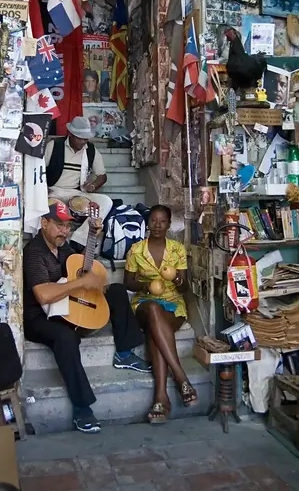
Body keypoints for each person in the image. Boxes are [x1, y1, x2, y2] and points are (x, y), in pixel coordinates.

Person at [23, 200, 150, 433]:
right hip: (40, 317)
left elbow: (80, 265)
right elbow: (43, 295)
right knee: (65, 338)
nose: (65, 231)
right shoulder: (34, 253)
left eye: (68, 227)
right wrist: (81, 283)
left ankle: (124, 352)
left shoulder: (62, 246)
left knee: (117, 291)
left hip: (67, 306)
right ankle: (82, 408)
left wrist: (93, 236)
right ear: (44, 223)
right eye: (59, 225)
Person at [124, 205, 197, 424]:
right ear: (148, 223)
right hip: (144, 304)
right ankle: (180, 376)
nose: (157, 225)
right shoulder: (136, 250)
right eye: (153, 221)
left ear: (169, 224)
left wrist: (177, 279)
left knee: (154, 332)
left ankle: (161, 398)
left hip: (173, 305)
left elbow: (184, 288)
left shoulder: (177, 249)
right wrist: (145, 286)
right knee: (153, 310)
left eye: (162, 221)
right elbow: (127, 283)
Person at [45, 116, 112, 251]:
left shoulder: (90, 150)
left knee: (106, 201)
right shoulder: (54, 145)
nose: (83, 142)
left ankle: (79, 239)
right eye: (80, 138)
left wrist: (93, 185)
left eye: (86, 138)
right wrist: (43, 189)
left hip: (77, 193)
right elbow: (39, 170)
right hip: (54, 191)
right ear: (71, 134)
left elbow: (102, 176)